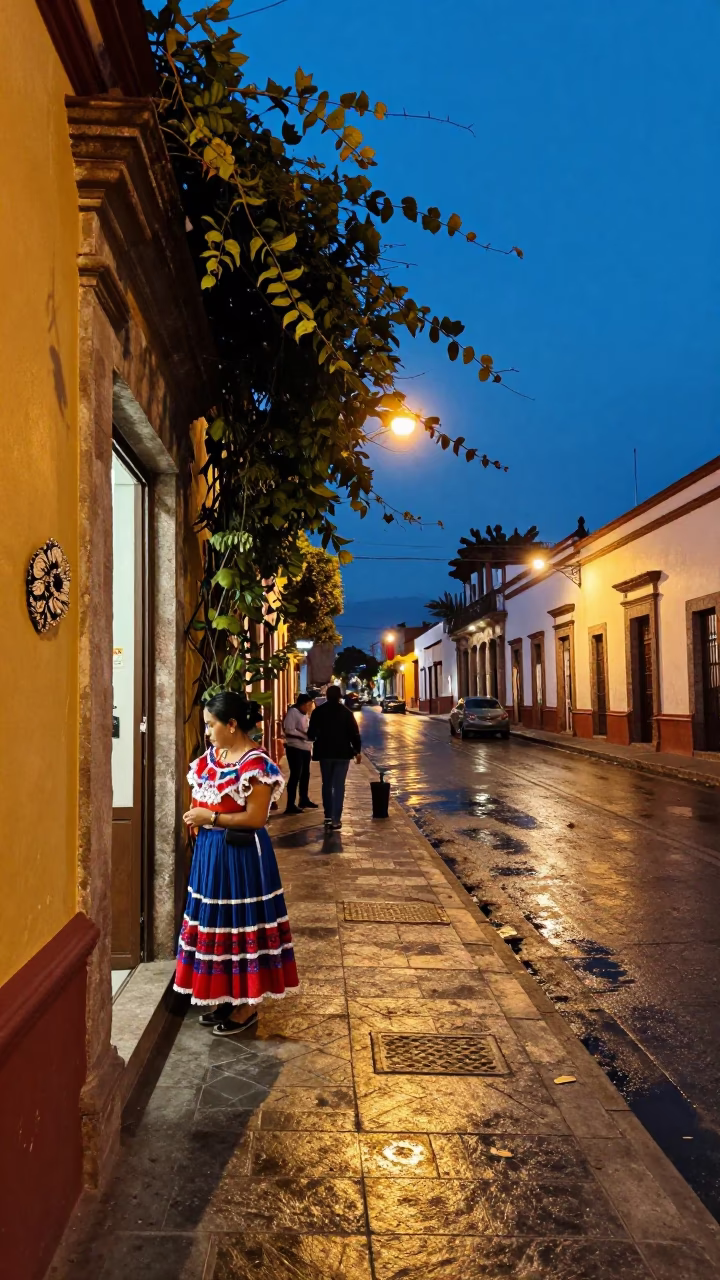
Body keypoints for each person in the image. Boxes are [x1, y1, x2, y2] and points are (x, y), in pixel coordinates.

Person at [174, 692, 299, 1036]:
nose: (207, 733)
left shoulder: (256, 764)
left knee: (243, 923)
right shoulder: (212, 757)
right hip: (211, 854)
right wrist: (198, 819)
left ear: (231, 724)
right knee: (220, 923)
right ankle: (228, 995)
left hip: (241, 856)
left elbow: (256, 818)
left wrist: (210, 817)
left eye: (211, 725)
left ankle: (248, 1004)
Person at [307, 685, 362, 830]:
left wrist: (318, 736)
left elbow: (311, 734)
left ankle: (328, 816)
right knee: (339, 786)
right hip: (343, 753)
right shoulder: (346, 713)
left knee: (327, 784)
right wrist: (357, 750)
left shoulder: (318, 712)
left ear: (326, 696)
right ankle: (336, 819)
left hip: (325, 753)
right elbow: (354, 733)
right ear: (339, 696)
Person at [283, 692, 317, 814]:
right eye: (308, 704)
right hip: (295, 748)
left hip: (305, 748)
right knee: (295, 775)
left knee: (305, 775)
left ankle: (304, 799)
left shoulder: (304, 714)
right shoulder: (293, 712)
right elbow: (289, 730)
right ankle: (290, 805)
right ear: (302, 704)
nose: (309, 707)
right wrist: (304, 736)